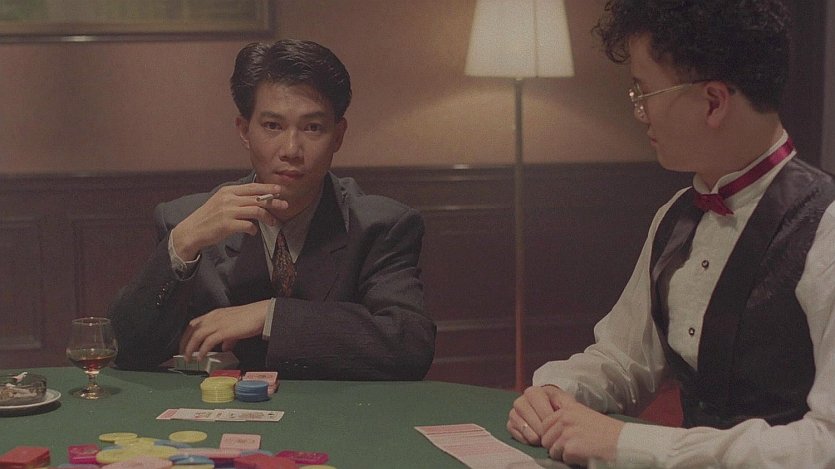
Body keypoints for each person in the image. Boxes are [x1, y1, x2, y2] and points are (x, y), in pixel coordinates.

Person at [507, 1, 835, 467]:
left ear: (714, 102)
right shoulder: (676, 215)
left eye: (644, 92)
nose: (640, 112)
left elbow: (827, 444)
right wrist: (558, 391)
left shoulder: (826, 226)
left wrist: (630, 443)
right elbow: (624, 359)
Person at [108, 39, 436, 380]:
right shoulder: (185, 219)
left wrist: (270, 316)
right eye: (272, 126)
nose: (291, 149)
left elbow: (410, 345)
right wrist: (181, 245)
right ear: (244, 131)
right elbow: (127, 349)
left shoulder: (381, 225)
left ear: (338, 136)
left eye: (312, 127)